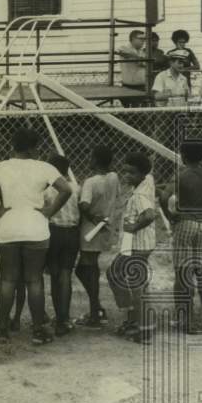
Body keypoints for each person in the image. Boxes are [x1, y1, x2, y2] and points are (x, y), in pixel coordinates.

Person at [0, 128, 72, 345]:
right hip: (36, 227)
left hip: (8, 226)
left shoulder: (1, 167)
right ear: (33, 147)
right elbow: (66, 189)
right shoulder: (44, 167)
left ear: (13, 145)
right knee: (34, 280)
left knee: (8, 279)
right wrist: (49, 211)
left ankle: (2, 329)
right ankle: (38, 329)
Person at [161, 139, 202, 335]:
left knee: (183, 274)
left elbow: (164, 197)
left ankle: (186, 321)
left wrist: (169, 216)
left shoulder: (180, 174)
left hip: (185, 223)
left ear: (183, 156)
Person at [107, 153, 158, 342]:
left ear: (142, 174)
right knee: (118, 274)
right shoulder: (148, 181)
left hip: (138, 244)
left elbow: (150, 215)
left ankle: (141, 327)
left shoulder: (139, 195)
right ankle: (134, 319)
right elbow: (150, 175)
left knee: (133, 283)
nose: (127, 176)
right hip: (138, 244)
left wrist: (134, 226)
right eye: (125, 171)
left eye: (132, 173)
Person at [75, 145, 121, 328]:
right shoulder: (114, 178)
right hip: (105, 226)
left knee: (86, 267)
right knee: (88, 266)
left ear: (95, 160)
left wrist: (92, 216)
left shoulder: (91, 181)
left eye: (90, 156)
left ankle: (96, 311)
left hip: (90, 229)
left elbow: (84, 204)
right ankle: (97, 308)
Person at [45, 154, 81, 335]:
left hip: (54, 231)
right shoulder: (76, 188)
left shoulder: (47, 190)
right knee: (66, 274)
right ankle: (64, 318)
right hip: (72, 232)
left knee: (54, 274)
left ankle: (58, 316)